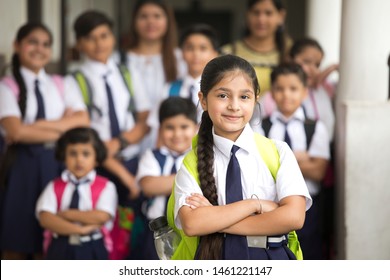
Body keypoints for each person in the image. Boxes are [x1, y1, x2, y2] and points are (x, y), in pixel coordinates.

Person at [169, 54, 311, 260]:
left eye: (244, 97)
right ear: (203, 100)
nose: (234, 106)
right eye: (223, 96)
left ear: (256, 99)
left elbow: (294, 217)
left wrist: (216, 219)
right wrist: (255, 205)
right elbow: (193, 224)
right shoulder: (191, 162)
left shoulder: (278, 152)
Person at [0, 23, 89, 259]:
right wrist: (62, 127)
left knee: (49, 238)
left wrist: (36, 127)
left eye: (45, 44)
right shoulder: (6, 86)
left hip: (57, 163)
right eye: (32, 42)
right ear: (17, 46)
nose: (39, 49)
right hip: (21, 167)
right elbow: (16, 132)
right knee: (16, 238)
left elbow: (82, 121)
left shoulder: (62, 83)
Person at [71, 10, 152, 259]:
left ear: (113, 37)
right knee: (102, 230)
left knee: (131, 231)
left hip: (130, 158)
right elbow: (85, 138)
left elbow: (144, 121)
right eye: (91, 38)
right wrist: (126, 177)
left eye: (104, 35)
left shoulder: (126, 73)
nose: (99, 43)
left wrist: (120, 143)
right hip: (97, 166)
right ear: (80, 43)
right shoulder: (76, 79)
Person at [260, 63, 330, 259]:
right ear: (271, 93)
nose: (286, 95)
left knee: (308, 253)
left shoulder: (315, 128)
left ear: (305, 92)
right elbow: (259, 166)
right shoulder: (260, 127)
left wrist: (277, 161)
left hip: (309, 205)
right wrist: (299, 158)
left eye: (293, 89)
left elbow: (318, 171)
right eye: (279, 89)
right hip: (270, 205)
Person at [36, 127, 117, 260]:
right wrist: (80, 230)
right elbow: (45, 218)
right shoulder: (54, 186)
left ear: (96, 158)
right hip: (60, 246)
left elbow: (102, 216)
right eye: (73, 154)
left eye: (86, 154)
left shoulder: (106, 186)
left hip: (92, 246)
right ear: (64, 156)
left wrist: (65, 214)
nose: (79, 160)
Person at [121, 0, 187, 150]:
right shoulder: (120, 60)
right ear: (134, 21)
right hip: (128, 144)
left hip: (172, 144)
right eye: (143, 16)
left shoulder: (181, 59)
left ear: (168, 21)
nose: (150, 21)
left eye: (157, 16)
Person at [136, 97, 198, 259]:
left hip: (191, 231)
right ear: (160, 129)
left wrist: (166, 182)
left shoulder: (200, 157)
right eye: (169, 127)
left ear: (196, 128)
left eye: (184, 127)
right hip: (154, 231)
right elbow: (149, 185)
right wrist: (190, 180)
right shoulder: (152, 157)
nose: (177, 134)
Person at [147, 23, 219, 145]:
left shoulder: (220, 91)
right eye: (190, 48)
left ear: (215, 53)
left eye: (203, 48)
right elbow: (159, 132)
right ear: (182, 53)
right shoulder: (170, 89)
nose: (196, 54)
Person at [260, 37, 337, 141]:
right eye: (306, 62)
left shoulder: (324, 90)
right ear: (289, 59)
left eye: (317, 65)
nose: (313, 70)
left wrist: (332, 68)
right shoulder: (269, 100)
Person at [220, 0, 291, 96]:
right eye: (256, 12)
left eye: (268, 13)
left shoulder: (292, 53)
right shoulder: (227, 53)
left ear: (281, 16)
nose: (261, 19)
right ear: (247, 15)